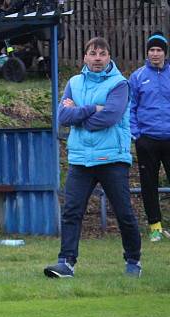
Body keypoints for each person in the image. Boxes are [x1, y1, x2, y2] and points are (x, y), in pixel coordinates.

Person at [44, 37, 142, 278]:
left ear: (109, 57)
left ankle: (133, 261)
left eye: (102, 53)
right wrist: (90, 109)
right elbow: (63, 117)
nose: (97, 58)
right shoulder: (74, 82)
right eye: (92, 53)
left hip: (112, 159)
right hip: (80, 159)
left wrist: (78, 112)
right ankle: (66, 263)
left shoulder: (120, 84)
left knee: (124, 213)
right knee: (71, 211)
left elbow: (108, 118)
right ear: (84, 57)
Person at [129, 31, 170, 242]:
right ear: (147, 52)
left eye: (159, 50)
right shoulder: (137, 77)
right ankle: (155, 227)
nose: (155, 54)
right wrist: (137, 135)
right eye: (151, 50)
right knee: (149, 185)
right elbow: (131, 108)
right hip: (147, 141)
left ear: (165, 53)